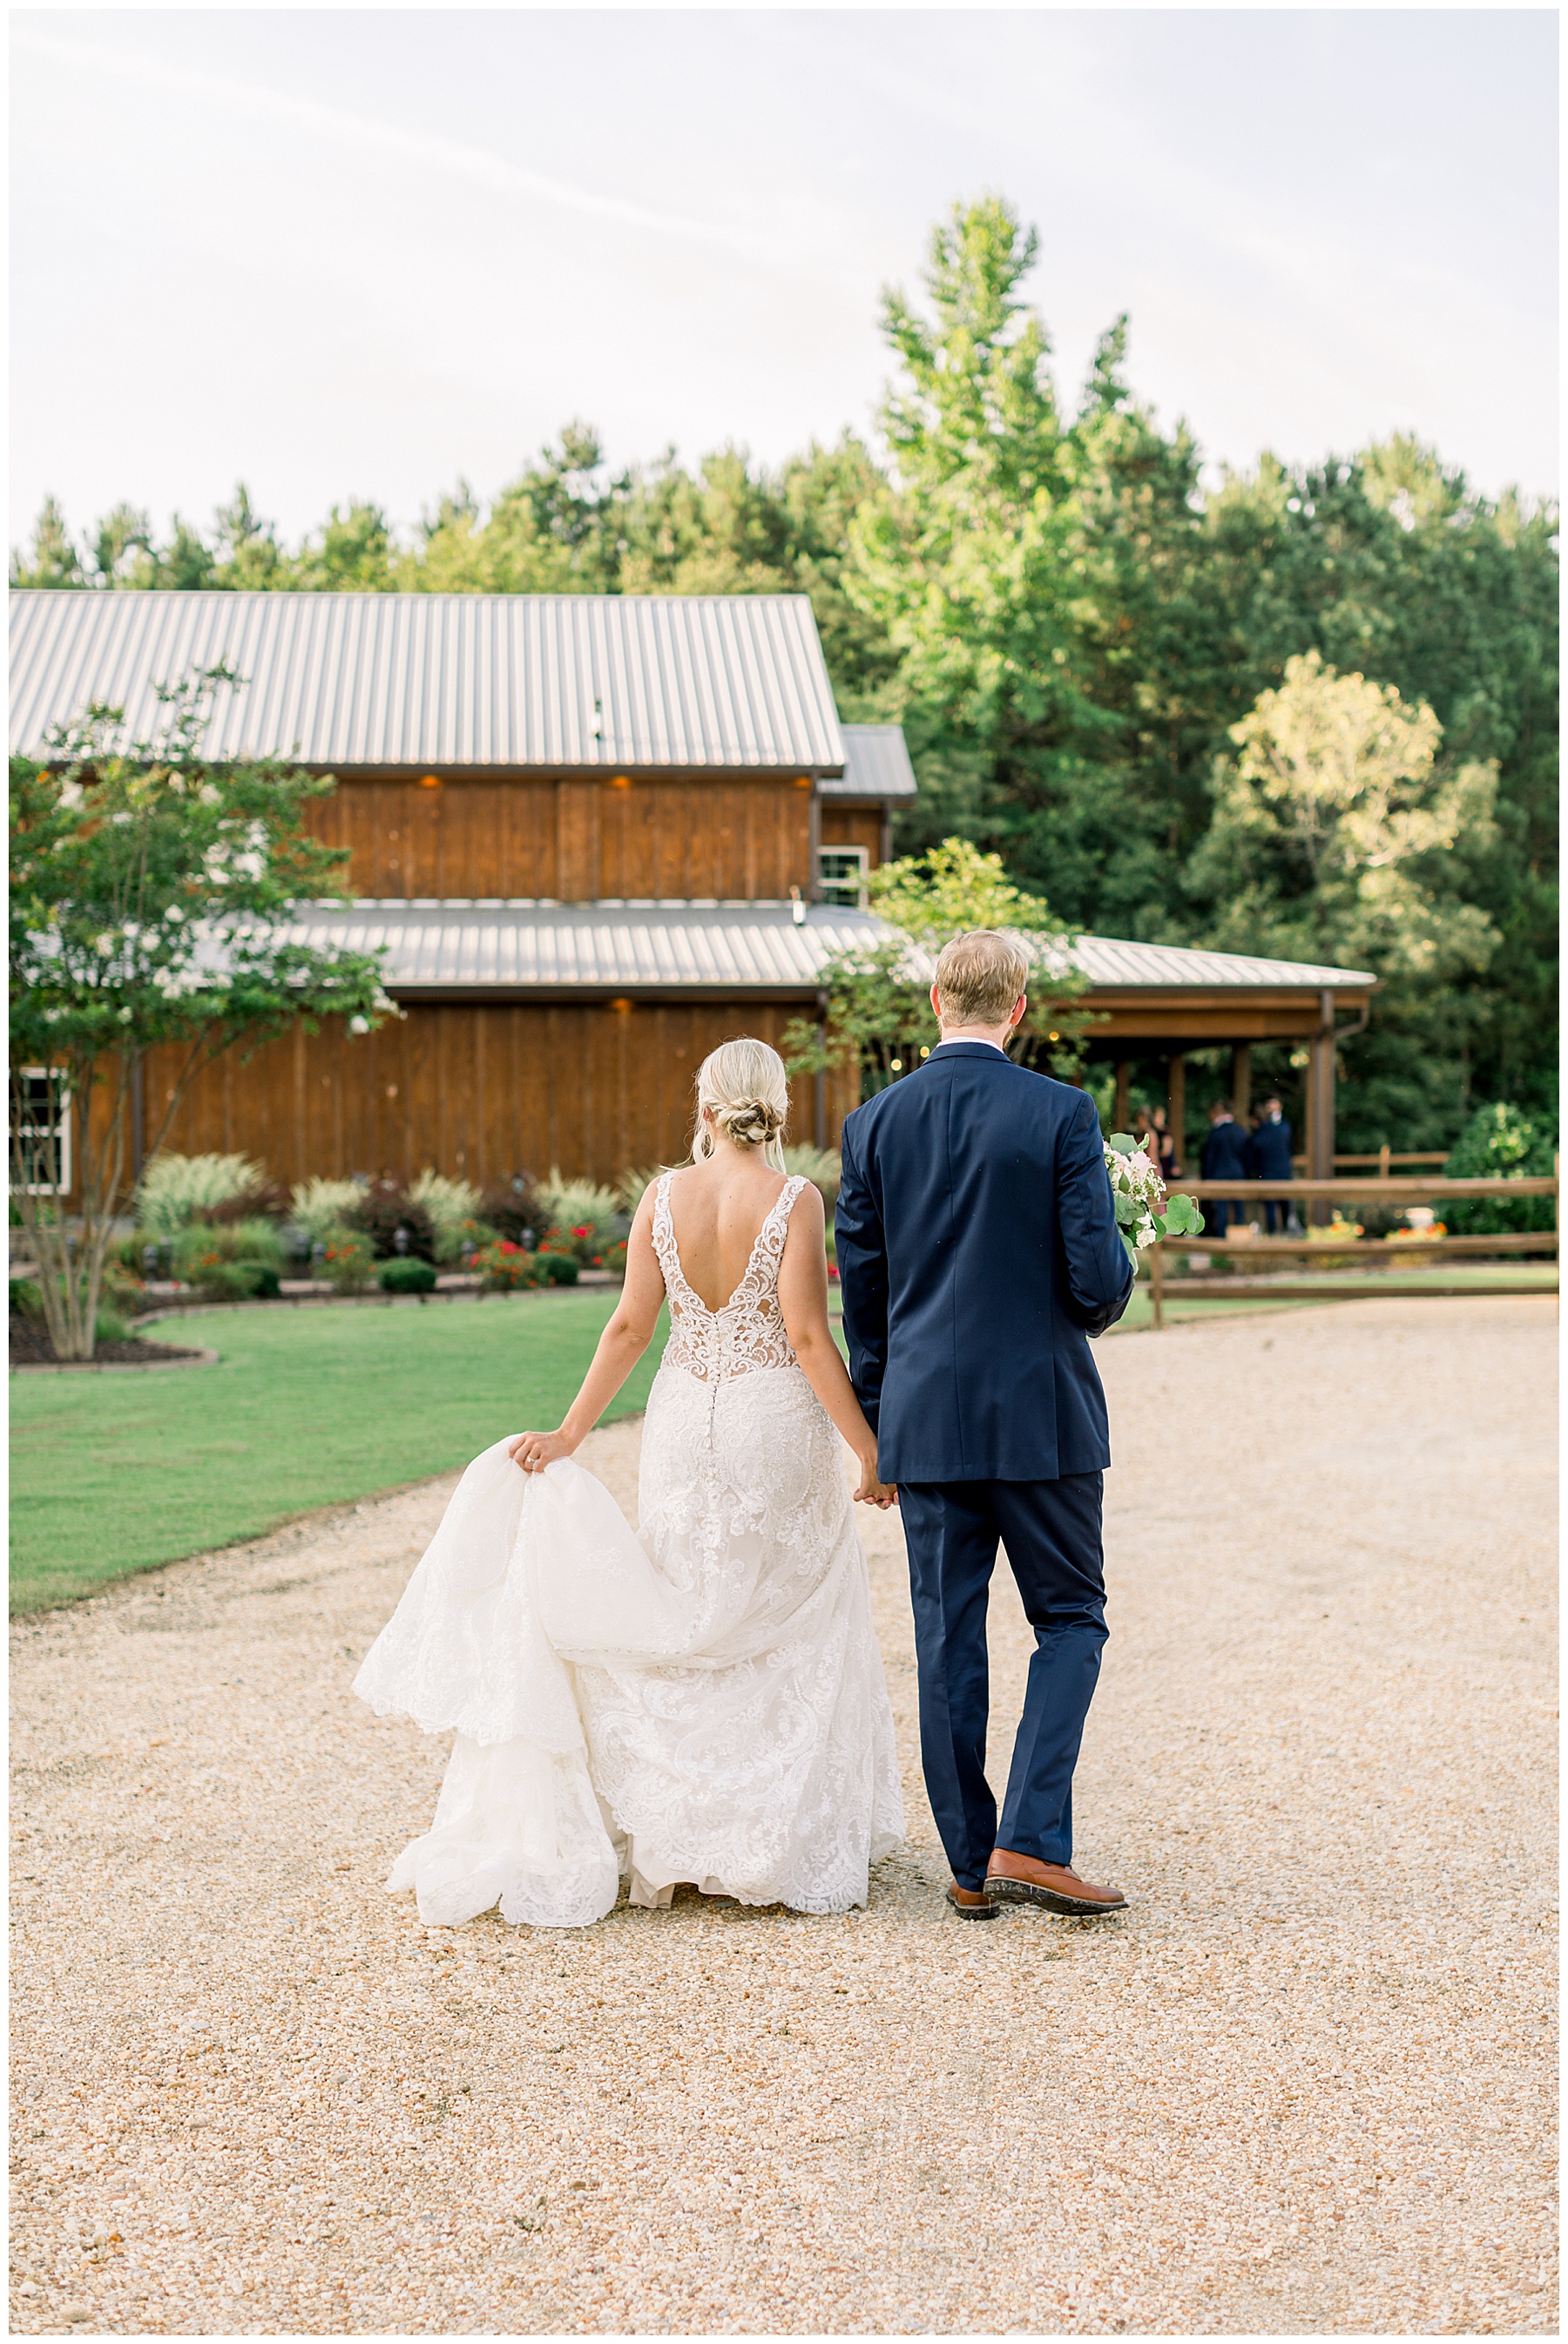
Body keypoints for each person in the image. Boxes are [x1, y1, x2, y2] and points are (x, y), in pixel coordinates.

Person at [353, 1039, 903, 1927]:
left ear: (705, 1105)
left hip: (684, 1419)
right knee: (782, 1610)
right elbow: (807, 1335)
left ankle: (675, 1834)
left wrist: (572, 1430)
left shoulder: (661, 1197)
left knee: (683, 1601)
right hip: (771, 1418)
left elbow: (628, 1326)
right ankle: (765, 1838)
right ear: (777, 1106)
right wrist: (867, 1451)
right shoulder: (795, 1200)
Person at [835, 930, 1135, 1924]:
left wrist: (878, 1431)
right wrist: (1123, 1247)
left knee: (945, 1639)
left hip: (922, 1423)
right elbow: (1093, 1287)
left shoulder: (872, 1125)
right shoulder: (1060, 1111)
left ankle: (971, 1863)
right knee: (1072, 1619)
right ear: (1018, 1008)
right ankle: (1033, 1838)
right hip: (1041, 1416)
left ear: (934, 1000)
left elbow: (864, 1306)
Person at [1200, 1098, 1252, 1239]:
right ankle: (1240, 1238)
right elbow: (1247, 1156)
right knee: (1238, 1208)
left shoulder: (1215, 1134)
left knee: (1221, 1209)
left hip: (1219, 1174)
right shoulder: (1241, 1132)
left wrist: (1206, 1177)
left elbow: (1209, 1159)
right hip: (1238, 1173)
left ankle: (1221, 1238)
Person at [1246, 1095, 1295, 1232]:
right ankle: (1273, 1231)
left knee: (1283, 1202)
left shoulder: (1282, 1126)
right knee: (1271, 1204)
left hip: (1278, 1169)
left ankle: (1284, 1229)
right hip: (1271, 1169)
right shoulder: (1266, 1129)